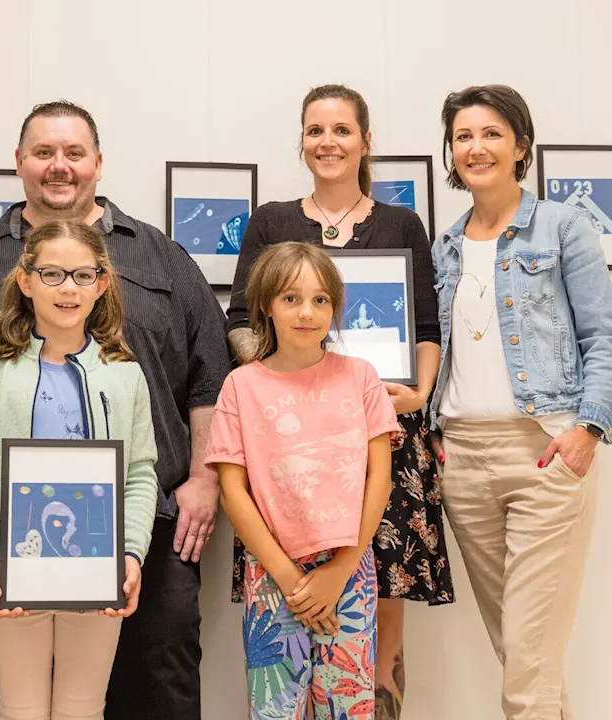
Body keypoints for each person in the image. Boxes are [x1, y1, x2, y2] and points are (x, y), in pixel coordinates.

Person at [0, 101, 231, 719]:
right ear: (19, 164)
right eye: (43, 153)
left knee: (159, 678)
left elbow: (210, 376)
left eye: (74, 153)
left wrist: (205, 478)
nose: (59, 167)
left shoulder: (161, 259)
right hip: (8, 535)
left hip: (149, 524)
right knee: (25, 698)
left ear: (98, 164)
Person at [224, 84, 453, 718]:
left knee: (381, 600)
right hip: (286, 442)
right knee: (290, 597)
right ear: (301, 141)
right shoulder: (271, 221)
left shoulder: (401, 224)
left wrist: (420, 393)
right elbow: (241, 319)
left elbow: (426, 329)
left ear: (366, 141)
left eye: (342, 130)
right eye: (315, 130)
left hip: (388, 436)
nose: (328, 141)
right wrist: (292, 386)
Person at [431, 84, 612, 720]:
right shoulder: (447, 245)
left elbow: (605, 336)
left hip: (544, 452)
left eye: (491, 134)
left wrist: (587, 429)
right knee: (523, 657)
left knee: (526, 655)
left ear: (520, 145)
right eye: (464, 136)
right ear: (451, 152)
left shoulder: (562, 226)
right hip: (462, 461)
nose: (476, 147)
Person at [0, 219, 159, 720]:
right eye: (51, 274)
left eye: (83, 275)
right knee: (19, 711)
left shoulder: (126, 375)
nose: (68, 287)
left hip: (97, 573)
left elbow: (139, 475)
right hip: (11, 572)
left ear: (101, 285)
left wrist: (129, 556)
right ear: (25, 282)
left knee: (82, 711)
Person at [207, 241, 396, 719]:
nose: (307, 312)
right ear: (267, 306)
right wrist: (293, 580)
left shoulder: (361, 377)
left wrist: (338, 572)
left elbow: (381, 480)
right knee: (275, 709)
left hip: (350, 569)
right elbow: (233, 491)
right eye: (291, 298)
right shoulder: (241, 386)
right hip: (272, 571)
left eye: (320, 300)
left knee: (349, 708)